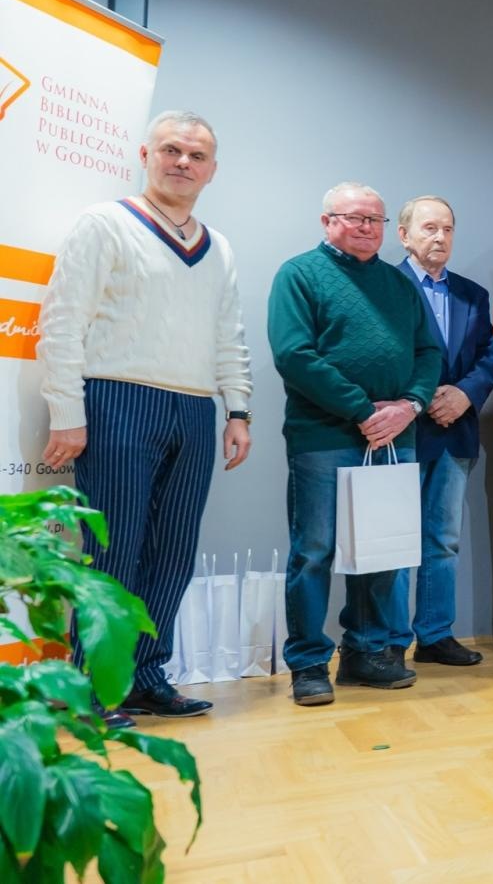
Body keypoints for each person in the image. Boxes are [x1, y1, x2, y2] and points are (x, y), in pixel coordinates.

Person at [39, 110, 251, 727]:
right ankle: (87, 687)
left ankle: (144, 675)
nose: (183, 162)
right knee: (114, 553)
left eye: (197, 156)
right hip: (115, 401)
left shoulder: (219, 248)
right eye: (172, 150)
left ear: (212, 171)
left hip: (192, 409)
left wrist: (237, 409)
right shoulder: (105, 224)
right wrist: (66, 414)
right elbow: (61, 325)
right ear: (145, 154)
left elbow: (228, 336)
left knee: (174, 552)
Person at [268, 182, 442, 706]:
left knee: (382, 549)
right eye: (355, 218)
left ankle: (366, 653)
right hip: (324, 435)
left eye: (376, 220)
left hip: (395, 433)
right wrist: (363, 410)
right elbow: (295, 356)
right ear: (327, 222)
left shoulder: (398, 283)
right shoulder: (299, 274)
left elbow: (428, 351)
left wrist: (409, 405)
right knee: (315, 551)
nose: (367, 228)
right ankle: (308, 663)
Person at [387, 195, 493, 666]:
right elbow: (378, 353)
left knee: (442, 539)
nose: (439, 237)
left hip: (455, 431)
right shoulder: (384, 286)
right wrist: (423, 396)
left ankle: (434, 635)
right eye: (429, 228)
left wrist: (464, 395)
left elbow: (489, 356)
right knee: (392, 539)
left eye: (447, 229)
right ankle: (389, 640)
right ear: (404, 235)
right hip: (401, 432)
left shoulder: (473, 293)